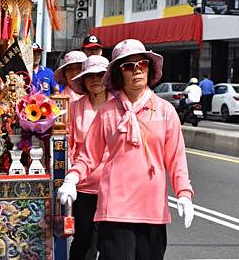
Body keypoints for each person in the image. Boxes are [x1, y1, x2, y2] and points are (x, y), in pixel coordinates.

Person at [58, 39, 194, 260]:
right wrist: (72, 179)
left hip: (152, 208)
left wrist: (184, 194)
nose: (137, 70)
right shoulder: (108, 112)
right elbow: (88, 156)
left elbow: (177, 160)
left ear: (149, 69)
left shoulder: (165, 111)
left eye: (142, 64)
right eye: (128, 66)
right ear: (120, 74)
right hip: (115, 208)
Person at [66, 55, 110, 260]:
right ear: (83, 80)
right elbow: (67, 144)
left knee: (109, 240)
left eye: (100, 75)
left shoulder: (119, 106)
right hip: (83, 185)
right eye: (90, 76)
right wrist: (70, 177)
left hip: (113, 186)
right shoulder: (75, 108)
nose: (95, 80)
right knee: (84, 239)